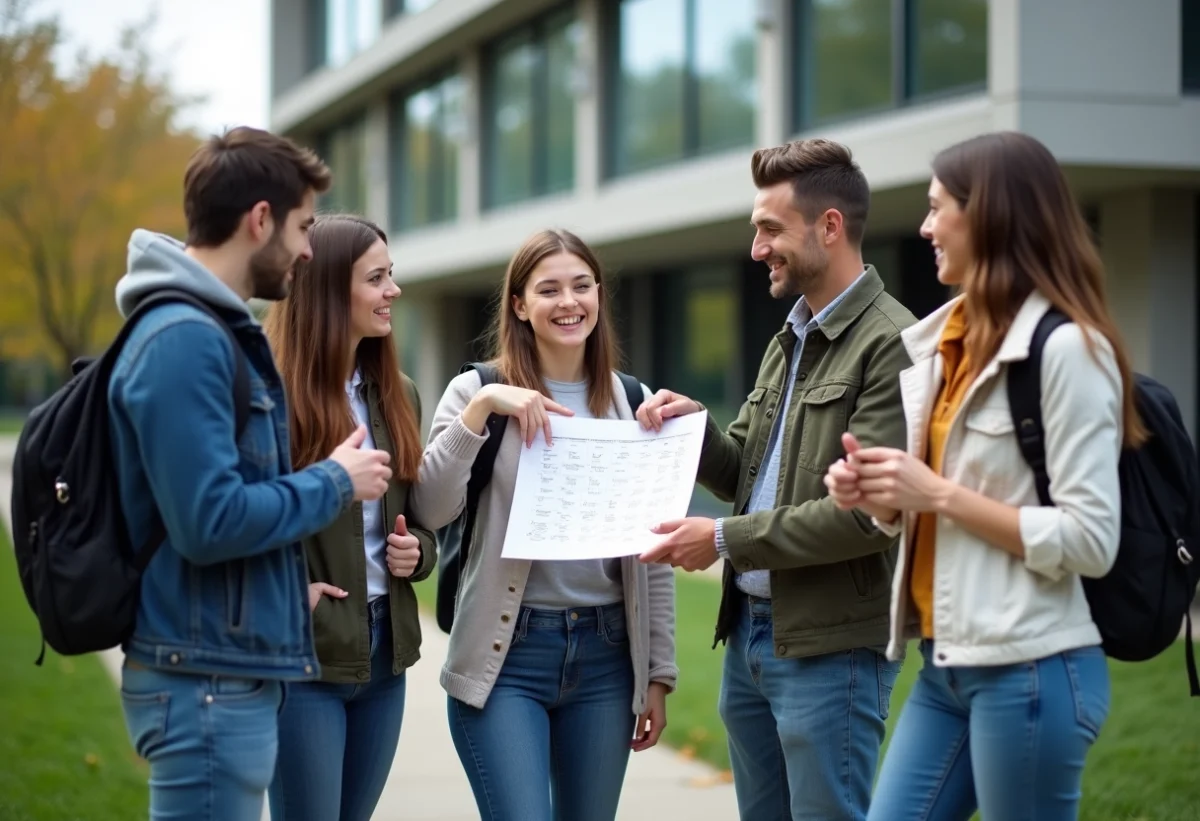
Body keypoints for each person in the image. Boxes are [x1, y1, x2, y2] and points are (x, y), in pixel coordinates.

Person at [826, 131, 1135, 820]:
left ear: (991, 214)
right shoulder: (946, 343)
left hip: (1031, 668)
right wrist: (882, 497)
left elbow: (1091, 538)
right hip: (947, 663)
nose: (925, 226)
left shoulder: (1068, 350)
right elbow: (942, 503)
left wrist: (931, 490)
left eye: (939, 208)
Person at [108, 127, 393, 821]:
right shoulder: (185, 339)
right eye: (300, 227)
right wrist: (334, 479)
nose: (305, 249)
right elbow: (209, 521)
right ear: (259, 219)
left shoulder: (210, 331)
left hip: (225, 667)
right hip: (203, 680)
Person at [637, 138, 915, 821]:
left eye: (770, 229)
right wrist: (694, 431)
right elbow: (750, 477)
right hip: (751, 641)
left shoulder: (893, 343)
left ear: (830, 226)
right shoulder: (787, 335)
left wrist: (724, 541)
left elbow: (864, 517)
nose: (757, 247)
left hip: (831, 651)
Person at [410, 229, 677, 821]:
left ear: (599, 296)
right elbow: (429, 508)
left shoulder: (633, 402)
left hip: (607, 657)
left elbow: (652, 547)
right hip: (507, 656)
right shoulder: (474, 391)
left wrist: (657, 673)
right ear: (520, 305)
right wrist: (482, 413)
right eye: (548, 289)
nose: (568, 302)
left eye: (581, 286)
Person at [262, 214, 435, 820]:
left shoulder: (398, 391)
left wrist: (419, 554)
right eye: (377, 278)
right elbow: (237, 516)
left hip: (384, 653)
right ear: (331, 288)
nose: (394, 291)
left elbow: (420, 519)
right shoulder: (269, 396)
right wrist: (285, 592)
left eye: (392, 275)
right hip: (303, 655)